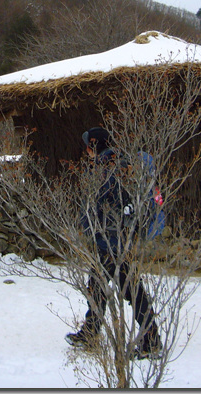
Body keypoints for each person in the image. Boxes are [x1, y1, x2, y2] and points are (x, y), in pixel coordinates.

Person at [65, 126, 161, 360]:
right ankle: (90, 332)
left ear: (94, 145)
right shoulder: (116, 164)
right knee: (98, 287)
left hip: (113, 242)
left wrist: (88, 225)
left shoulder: (108, 169)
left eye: (88, 144)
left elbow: (103, 205)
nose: (86, 149)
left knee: (132, 291)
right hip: (111, 240)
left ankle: (152, 342)